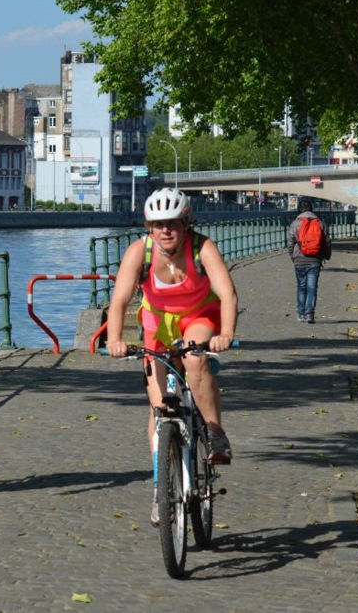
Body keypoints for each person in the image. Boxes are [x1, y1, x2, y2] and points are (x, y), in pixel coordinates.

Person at [106, 188, 238, 526]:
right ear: (149, 227)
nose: (165, 231)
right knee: (159, 406)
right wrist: (114, 339)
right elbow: (119, 300)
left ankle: (214, 431)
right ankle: (160, 489)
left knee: (195, 360)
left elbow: (227, 293)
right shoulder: (140, 252)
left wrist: (225, 334)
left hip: (198, 316)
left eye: (173, 224)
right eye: (157, 225)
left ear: (186, 224)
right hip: (156, 324)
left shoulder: (203, 248)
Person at [286, 199, 331, 323]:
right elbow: (326, 241)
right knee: (312, 287)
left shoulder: (295, 223)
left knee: (301, 286)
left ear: (299, 209)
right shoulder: (320, 223)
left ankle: (300, 314)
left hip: (299, 259)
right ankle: (309, 314)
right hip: (315, 259)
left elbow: (290, 243)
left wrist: (293, 257)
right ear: (312, 209)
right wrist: (327, 255)